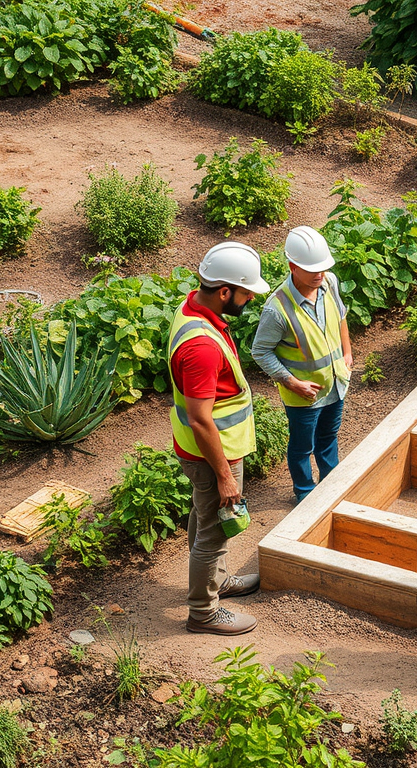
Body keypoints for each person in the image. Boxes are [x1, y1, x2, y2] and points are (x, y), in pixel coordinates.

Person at [167, 242, 270, 635]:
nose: (249, 299)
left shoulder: (192, 307)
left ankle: (216, 580)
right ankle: (203, 612)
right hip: (213, 454)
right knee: (214, 527)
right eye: (246, 292)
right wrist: (225, 474)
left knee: (204, 515)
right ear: (224, 291)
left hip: (201, 452)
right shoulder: (202, 347)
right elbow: (200, 418)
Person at [252, 226, 352, 502]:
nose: (319, 274)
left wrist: (347, 353)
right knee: (302, 446)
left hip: (335, 383)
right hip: (303, 396)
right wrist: (292, 382)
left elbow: (341, 314)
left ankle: (332, 490)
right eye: (312, 270)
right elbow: (260, 352)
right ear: (293, 266)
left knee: (328, 439)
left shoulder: (329, 283)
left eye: (322, 268)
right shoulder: (277, 309)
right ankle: (305, 494)